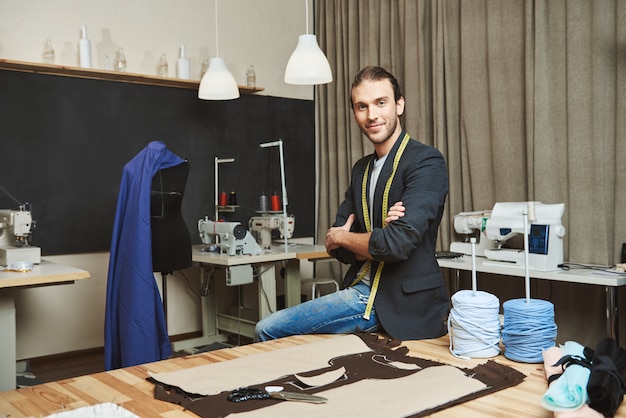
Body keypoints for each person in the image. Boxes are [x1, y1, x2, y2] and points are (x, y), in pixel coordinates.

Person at [255, 66, 449, 342]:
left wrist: (350, 237)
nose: (372, 115)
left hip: (399, 304)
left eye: (381, 103)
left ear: (399, 105)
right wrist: (365, 239)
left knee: (267, 328)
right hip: (360, 291)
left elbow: (397, 243)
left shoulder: (425, 161)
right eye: (361, 107)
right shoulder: (362, 169)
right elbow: (336, 247)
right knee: (275, 331)